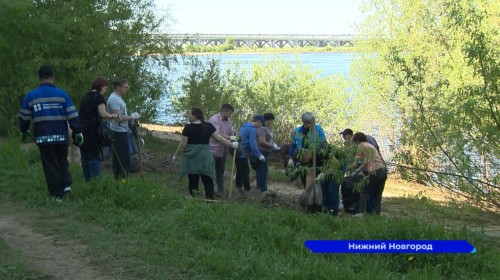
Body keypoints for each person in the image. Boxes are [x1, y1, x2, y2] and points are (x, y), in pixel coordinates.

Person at [18, 65, 83, 199]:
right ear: (53, 76)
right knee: (62, 161)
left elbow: (24, 117)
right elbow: (72, 115)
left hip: (43, 136)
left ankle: (56, 194)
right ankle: (66, 187)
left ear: (39, 77)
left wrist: (23, 130)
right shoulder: (62, 94)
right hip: (61, 135)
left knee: (50, 164)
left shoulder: (31, 95)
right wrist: (78, 131)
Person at [172, 107, 239, 200]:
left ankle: (194, 197)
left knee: (193, 177)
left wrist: (175, 155)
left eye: (190, 114)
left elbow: (183, 144)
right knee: (207, 176)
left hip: (192, 156)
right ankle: (210, 198)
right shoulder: (208, 125)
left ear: (195, 115)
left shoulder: (188, 127)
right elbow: (219, 138)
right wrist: (232, 144)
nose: (188, 116)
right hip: (205, 155)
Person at [78, 77, 120, 181]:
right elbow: (103, 114)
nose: (105, 90)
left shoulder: (86, 96)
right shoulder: (99, 97)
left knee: (85, 156)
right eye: (105, 88)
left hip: (82, 128)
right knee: (94, 156)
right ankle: (97, 181)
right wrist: (113, 116)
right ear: (101, 87)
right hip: (92, 130)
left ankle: (88, 179)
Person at [287, 112, 327, 213]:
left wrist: (314, 153)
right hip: (302, 160)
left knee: (317, 184)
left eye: (309, 122)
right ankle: (308, 206)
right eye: (305, 122)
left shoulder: (317, 129)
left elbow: (324, 144)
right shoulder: (297, 131)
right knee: (306, 182)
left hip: (316, 160)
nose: (307, 124)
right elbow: (293, 145)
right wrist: (291, 158)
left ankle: (318, 207)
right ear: (303, 121)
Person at [106, 77, 139, 179]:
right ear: (117, 87)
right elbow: (119, 117)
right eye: (125, 87)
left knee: (123, 156)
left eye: (127, 87)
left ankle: (121, 177)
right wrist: (132, 117)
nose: (126, 89)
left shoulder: (118, 98)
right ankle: (121, 177)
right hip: (118, 132)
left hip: (122, 130)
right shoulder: (114, 99)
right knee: (122, 157)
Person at [350, 132, 388, 216]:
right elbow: (365, 163)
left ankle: (361, 213)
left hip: (375, 171)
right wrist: (358, 171)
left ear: (357, 141)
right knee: (377, 195)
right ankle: (376, 215)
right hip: (383, 170)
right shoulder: (370, 146)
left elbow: (356, 163)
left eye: (353, 142)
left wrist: (349, 168)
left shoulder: (361, 146)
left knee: (364, 191)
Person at [208, 104, 235, 197]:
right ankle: (209, 192)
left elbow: (231, 133)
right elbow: (218, 135)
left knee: (220, 171)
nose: (230, 115)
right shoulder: (214, 120)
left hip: (223, 150)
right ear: (225, 111)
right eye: (230, 113)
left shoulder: (229, 122)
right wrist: (231, 138)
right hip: (212, 150)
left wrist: (235, 138)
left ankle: (221, 191)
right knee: (210, 172)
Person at [235, 115, 266, 195]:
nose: (260, 126)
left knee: (240, 170)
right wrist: (259, 155)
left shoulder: (244, 127)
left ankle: (238, 187)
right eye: (261, 124)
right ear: (258, 121)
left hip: (237, 151)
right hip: (242, 153)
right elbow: (252, 144)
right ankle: (247, 190)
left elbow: (238, 138)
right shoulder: (252, 129)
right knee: (245, 171)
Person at [255, 112, 280, 193]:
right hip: (261, 151)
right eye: (271, 120)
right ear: (268, 120)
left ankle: (260, 187)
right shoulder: (262, 128)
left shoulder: (267, 128)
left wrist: (273, 144)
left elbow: (268, 140)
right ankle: (262, 189)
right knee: (262, 170)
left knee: (263, 170)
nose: (271, 122)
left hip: (266, 152)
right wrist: (272, 146)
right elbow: (262, 141)